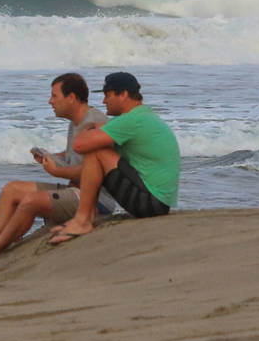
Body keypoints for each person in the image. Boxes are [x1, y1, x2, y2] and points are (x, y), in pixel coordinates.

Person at [0, 73, 117, 267]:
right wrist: (53, 156)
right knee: (12, 189)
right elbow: (73, 154)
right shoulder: (77, 121)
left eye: (54, 96)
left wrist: (56, 171)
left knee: (30, 201)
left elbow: (92, 171)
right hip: (74, 191)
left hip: (95, 201)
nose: (50, 101)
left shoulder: (93, 122)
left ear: (71, 97)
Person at [48, 72, 179, 244]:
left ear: (123, 94)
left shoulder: (131, 120)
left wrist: (92, 127)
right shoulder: (141, 116)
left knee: (96, 151)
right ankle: (85, 217)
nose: (103, 102)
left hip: (150, 203)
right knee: (98, 147)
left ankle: (82, 221)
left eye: (107, 95)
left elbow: (79, 145)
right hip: (158, 201)